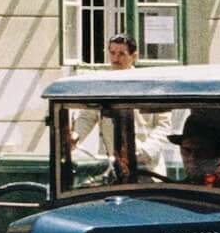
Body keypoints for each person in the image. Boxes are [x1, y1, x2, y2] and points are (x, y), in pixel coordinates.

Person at [67, 34, 172, 178]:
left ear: (133, 56)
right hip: (113, 169)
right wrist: (75, 136)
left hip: (147, 170)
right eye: (112, 53)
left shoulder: (150, 86)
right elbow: (87, 117)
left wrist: (145, 152)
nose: (115, 59)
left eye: (122, 54)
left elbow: (164, 126)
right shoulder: (101, 86)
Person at [170, 113, 220, 189]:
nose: (192, 158)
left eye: (201, 151)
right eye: (187, 150)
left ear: (215, 153)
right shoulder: (173, 190)